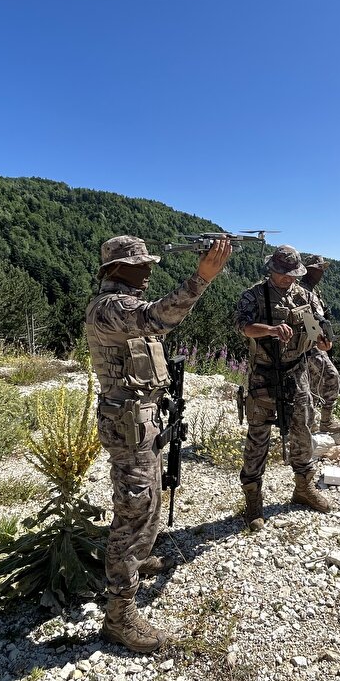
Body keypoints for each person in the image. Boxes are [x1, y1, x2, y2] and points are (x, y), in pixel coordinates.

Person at [85, 234, 232, 653]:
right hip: (128, 423)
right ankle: (120, 615)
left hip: (141, 420)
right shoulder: (111, 308)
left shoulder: (121, 305)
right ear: (116, 268)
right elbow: (158, 318)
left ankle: (137, 558)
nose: (148, 270)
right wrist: (201, 278)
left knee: (148, 500)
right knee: (133, 511)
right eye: (140, 265)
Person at [235, 245, 332, 530]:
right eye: (282, 274)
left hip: (296, 374)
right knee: (258, 437)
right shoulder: (253, 295)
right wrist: (270, 329)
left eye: (292, 274)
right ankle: (253, 502)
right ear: (272, 270)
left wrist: (324, 342)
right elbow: (242, 326)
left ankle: (304, 487)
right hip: (263, 376)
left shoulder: (305, 296)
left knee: (303, 431)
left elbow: (319, 329)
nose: (288, 279)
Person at [300, 253, 340, 435]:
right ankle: (320, 423)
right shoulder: (303, 291)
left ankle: (313, 423)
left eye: (322, 269)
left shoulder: (313, 290)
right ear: (309, 270)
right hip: (309, 346)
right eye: (319, 269)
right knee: (331, 378)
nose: (321, 273)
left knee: (313, 385)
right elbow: (307, 321)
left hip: (314, 345)